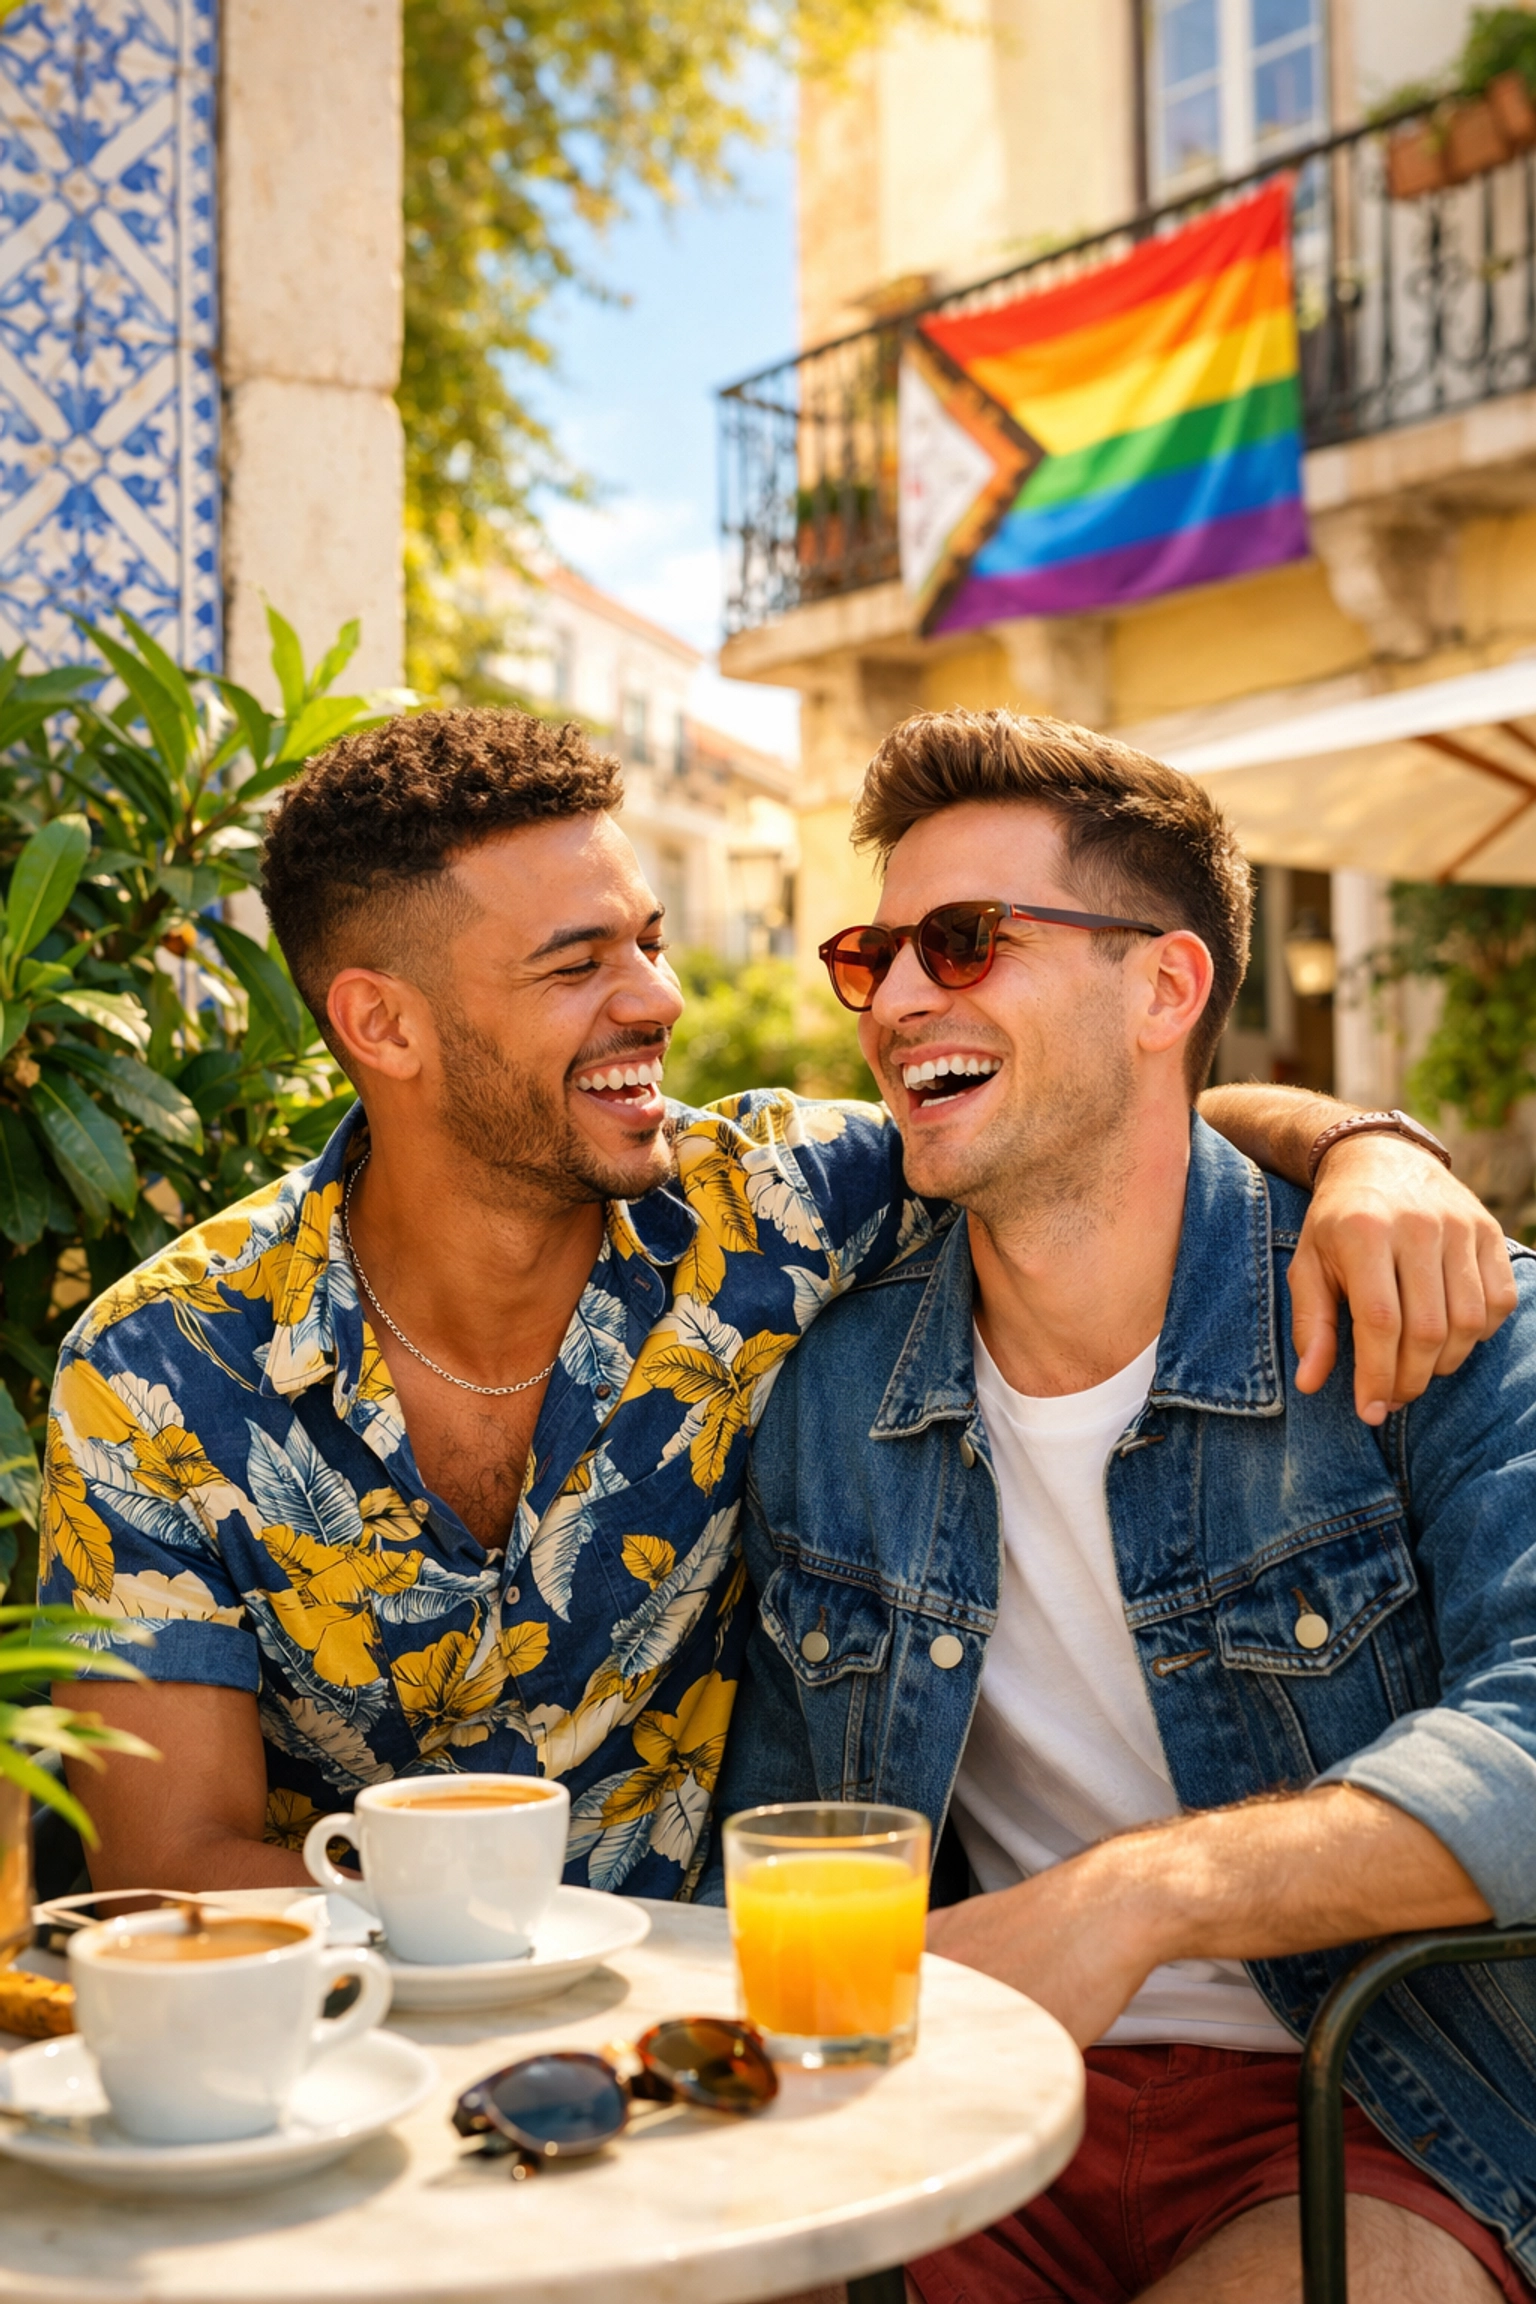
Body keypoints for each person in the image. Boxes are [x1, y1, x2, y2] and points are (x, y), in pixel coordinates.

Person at [43, 708, 1512, 1905]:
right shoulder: (159, 1370)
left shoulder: (767, 1210)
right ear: (383, 1024)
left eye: (649, 938)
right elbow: (169, 1866)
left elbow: (1094, 1117)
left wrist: (1359, 1150)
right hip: (350, 2059)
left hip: (733, 2060)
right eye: (580, 964)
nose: (659, 1000)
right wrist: (530, 1967)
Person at [712, 710, 1536, 2304]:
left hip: (1384, 2103)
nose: (895, 1004)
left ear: (1165, 987)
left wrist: (1134, 1899)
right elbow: (780, 1822)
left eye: (963, 943)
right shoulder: (825, 1394)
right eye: (874, 956)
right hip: (958, 2109)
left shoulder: (1440, 1321)